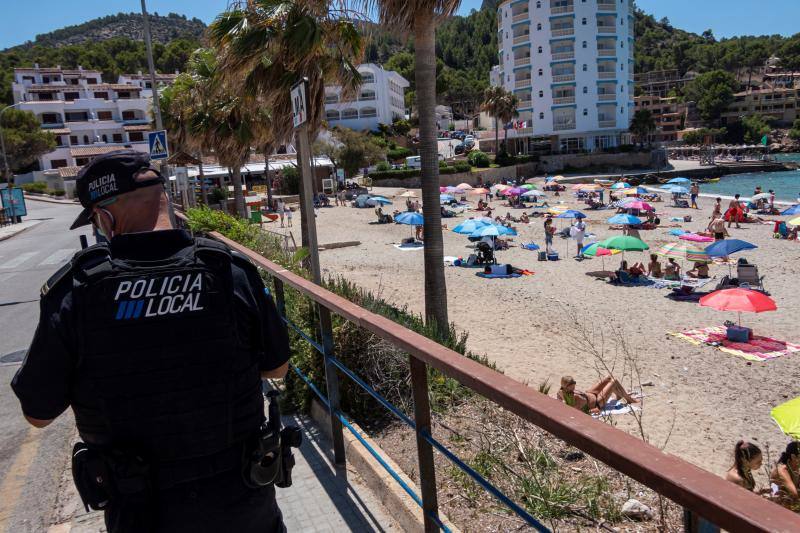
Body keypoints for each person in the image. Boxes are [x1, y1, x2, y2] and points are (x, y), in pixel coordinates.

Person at [10, 151, 290, 532]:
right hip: (243, 507)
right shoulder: (228, 271)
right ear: (165, 198)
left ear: (105, 217)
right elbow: (277, 367)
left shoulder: (76, 293)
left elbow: (38, 414)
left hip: (142, 513)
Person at [557, 375, 638, 415]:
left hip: (589, 393)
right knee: (614, 382)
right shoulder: (573, 399)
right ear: (566, 387)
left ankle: (619, 395)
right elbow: (581, 412)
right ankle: (629, 399)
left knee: (608, 378)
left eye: (574, 385)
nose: (574, 387)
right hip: (598, 402)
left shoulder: (561, 391)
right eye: (572, 386)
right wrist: (595, 410)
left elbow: (559, 399)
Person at [771, 441, 800, 506]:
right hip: (778, 504)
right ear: (793, 457)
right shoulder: (782, 470)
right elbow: (793, 493)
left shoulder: (795, 467)